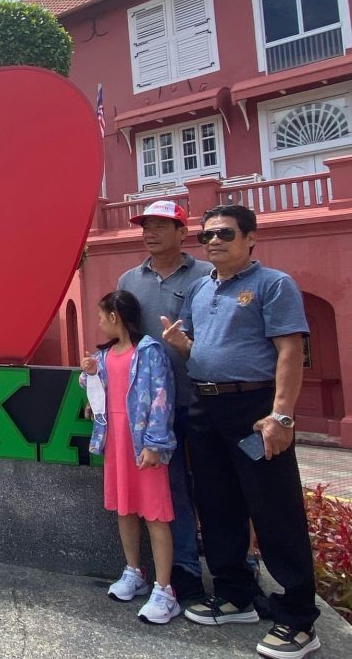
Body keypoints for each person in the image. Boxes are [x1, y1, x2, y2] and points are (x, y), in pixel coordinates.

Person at [162, 205, 320, 659]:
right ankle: (235, 596)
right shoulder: (199, 288)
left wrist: (281, 416)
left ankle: (297, 619)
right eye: (207, 235)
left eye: (225, 234)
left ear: (250, 238)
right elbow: (198, 345)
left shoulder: (273, 284)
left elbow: (289, 351)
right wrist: (182, 346)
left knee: (274, 508)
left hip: (254, 408)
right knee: (217, 503)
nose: (214, 242)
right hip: (206, 405)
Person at [118, 200, 213, 602]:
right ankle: (184, 567)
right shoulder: (130, 280)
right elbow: (123, 337)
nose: (150, 233)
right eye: (146, 227)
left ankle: (235, 569)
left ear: (182, 232)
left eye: (160, 226)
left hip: (202, 396)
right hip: (156, 409)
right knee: (170, 489)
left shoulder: (206, 276)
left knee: (215, 485)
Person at [80, 290, 179, 625]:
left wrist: (155, 444)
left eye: (100, 316)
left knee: (155, 514)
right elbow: (94, 387)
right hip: (115, 441)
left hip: (142, 444)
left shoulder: (149, 351)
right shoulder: (104, 355)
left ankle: (164, 590)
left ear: (114, 317)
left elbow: (162, 398)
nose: (98, 323)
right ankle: (134, 571)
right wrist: (89, 372)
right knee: (124, 507)